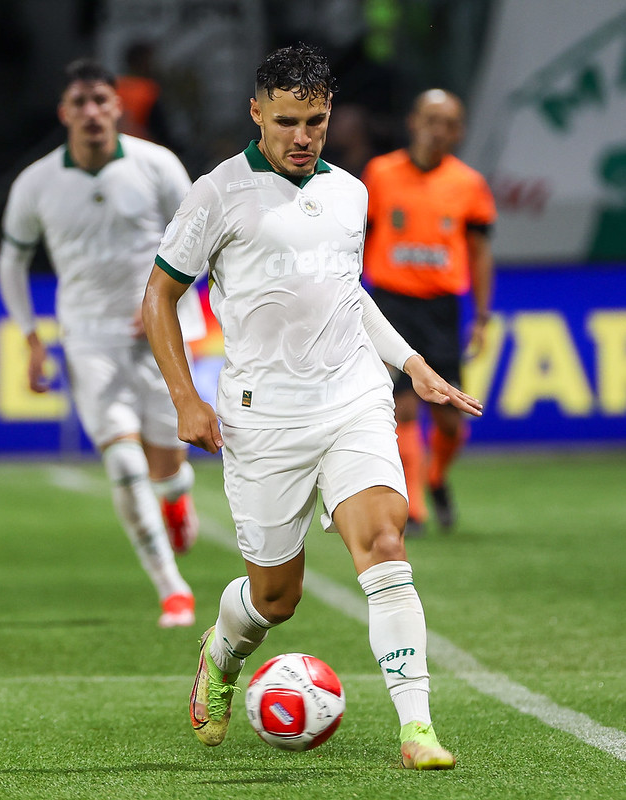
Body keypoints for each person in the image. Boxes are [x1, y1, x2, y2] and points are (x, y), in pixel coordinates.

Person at [142, 44, 482, 770]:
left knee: (386, 546)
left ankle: (416, 728)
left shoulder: (351, 193)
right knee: (276, 597)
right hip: (263, 418)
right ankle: (223, 652)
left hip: (353, 398)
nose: (303, 137)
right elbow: (159, 297)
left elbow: (346, 293)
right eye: (289, 121)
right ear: (257, 112)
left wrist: (411, 364)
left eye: (317, 122)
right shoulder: (216, 193)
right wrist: (184, 399)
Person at [0, 58, 205, 628]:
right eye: (80, 102)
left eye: (101, 101)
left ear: (119, 108)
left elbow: (198, 240)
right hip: (89, 338)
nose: (91, 111)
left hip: (159, 337)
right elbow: (11, 262)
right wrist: (29, 336)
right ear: (65, 112)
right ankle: (172, 590)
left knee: (166, 464)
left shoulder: (156, 165)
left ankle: (176, 497)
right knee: (123, 461)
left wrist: (169, 302)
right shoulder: (36, 182)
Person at [362, 89, 496, 534]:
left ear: (458, 132)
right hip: (392, 304)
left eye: (447, 123)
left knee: (448, 419)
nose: (437, 130)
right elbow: (359, 238)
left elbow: (478, 252)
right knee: (401, 408)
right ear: (413, 121)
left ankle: (436, 477)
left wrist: (480, 315)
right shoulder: (380, 174)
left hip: (441, 308)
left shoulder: (468, 184)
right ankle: (413, 507)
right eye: (430, 119)